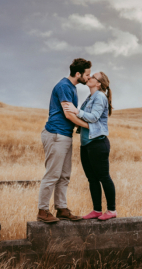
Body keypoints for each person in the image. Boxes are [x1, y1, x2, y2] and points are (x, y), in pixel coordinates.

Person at [37, 58, 91, 224]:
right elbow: (69, 114)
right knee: (52, 174)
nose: (88, 78)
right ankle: (43, 210)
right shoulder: (64, 87)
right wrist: (89, 126)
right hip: (56, 134)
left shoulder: (71, 87)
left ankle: (61, 208)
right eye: (87, 75)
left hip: (65, 135)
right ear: (78, 74)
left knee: (64, 175)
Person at [63, 71, 116, 221]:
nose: (89, 77)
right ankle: (97, 210)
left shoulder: (99, 96)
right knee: (92, 179)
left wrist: (76, 111)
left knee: (104, 177)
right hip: (86, 144)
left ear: (98, 83)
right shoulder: (91, 97)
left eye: (93, 77)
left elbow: (93, 117)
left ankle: (111, 210)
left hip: (98, 143)